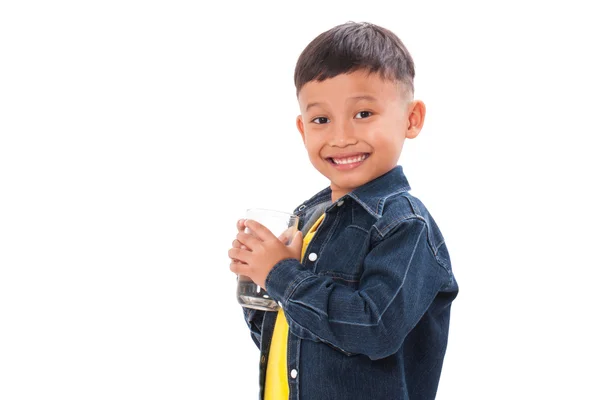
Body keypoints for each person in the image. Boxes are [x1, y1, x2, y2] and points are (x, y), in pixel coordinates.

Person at [228, 21, 459, 400]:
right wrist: (261, 286)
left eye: (363, 114)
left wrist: (281, 275)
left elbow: (374, 329)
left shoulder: (404, 225)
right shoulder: (310, 217)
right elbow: (297, 346)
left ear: (411, 119)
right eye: (322, 119)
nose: (340, 136)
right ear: (303, 130)